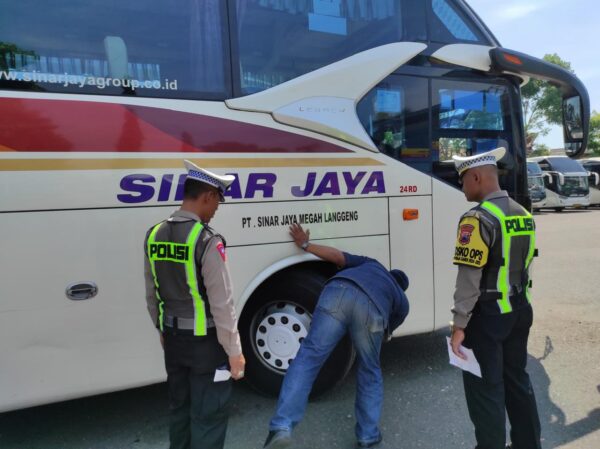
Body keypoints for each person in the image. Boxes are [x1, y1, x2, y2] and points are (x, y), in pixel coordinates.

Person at [264, 223, 410, 449]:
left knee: (308, 358)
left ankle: (282, 427)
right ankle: (368, 437)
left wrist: (305, 244)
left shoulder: (372, 264)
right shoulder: (400, 299)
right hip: (372, 310)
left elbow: (336, 256)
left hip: (337, 290)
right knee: (369, 369)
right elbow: (385, 332)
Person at [143, 160, 245, 449]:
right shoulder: (206, 240)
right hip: (206, 347)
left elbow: (152, 296)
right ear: (207, 196)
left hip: (173, 342)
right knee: (208, 415)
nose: (215, 210)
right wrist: (235, 351)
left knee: (179, 410)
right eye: (217, 203)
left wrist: (162, 330)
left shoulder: (154, 234)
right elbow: (223, 303)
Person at [449, 147, 542, 449]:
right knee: (517, 381)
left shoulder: (475, 219)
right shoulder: (523, 214)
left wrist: (459, 324)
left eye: (463, 180)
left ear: (476, 177)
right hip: (519, 310)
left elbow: (469, 279)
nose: (462, 187)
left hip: (487, 317)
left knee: (485, 390)